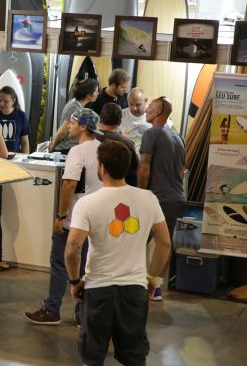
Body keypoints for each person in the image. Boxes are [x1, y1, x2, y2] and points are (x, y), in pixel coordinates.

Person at [64, 139, 171, 366]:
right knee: (134, 357)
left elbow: (72, 248)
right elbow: (164, 243)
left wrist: (74, 281)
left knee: (92, 357)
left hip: (97, 289)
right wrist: (152, 279)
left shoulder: (87, 203)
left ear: (101, 167)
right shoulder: (148, 199)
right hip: (134, 290)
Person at [25, 108, 103, 326]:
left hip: (76, 219)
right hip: (97, 219)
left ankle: (52, 309)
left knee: (60, 262)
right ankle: (82, 313)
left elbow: (69, 184)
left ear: (83, 127)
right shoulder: (102, 149)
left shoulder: (77, 152)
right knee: (87, 266)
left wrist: (61, 216)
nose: (68, 126)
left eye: (72, 122)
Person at [138, 96, 186, 301]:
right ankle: (155, 287)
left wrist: (139, 194)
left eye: (150, 107)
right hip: (176, 197)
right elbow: (182, 170)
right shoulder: (178, 137)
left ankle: (136, 285)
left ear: (158, 112)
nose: (146, 109)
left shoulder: (151, 133)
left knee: (137, 240)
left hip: (158, 198)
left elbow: (144, 166)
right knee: (165, 243)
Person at [50, 78, 99, 154]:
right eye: (96, 91)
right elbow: (62, 132)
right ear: (89, 95)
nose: (98, 94)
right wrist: (53, 147)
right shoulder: (74, 107)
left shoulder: (75, 104)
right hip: (65, 149)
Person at [119, 88, 175, 154]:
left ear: (145, 100)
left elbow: (173, 130)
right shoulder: (120, 115)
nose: (134, 108)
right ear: (127, 101)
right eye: (131, 104)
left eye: (138, 104)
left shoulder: (154, 112)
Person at [97, 103, 139, 186]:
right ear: (120, 121)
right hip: (118, 189)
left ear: (100, 119)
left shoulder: (90, 137)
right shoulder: (127, 143)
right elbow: (134, 170)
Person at [0, 86, 30, 153]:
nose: (1, 104)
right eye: (0, 100)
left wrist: (24, 159)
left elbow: (25, 142)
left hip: (15, 157)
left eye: (6, 101)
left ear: (13, 101)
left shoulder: (21, 116)